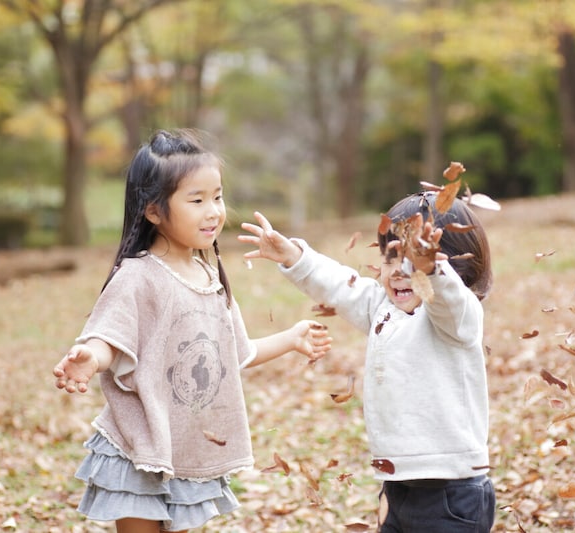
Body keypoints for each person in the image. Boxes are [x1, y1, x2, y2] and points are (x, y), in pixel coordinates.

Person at [52, 129, 331, 533]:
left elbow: (236, 354)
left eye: (217, 197)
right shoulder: (138, 277)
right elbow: (111, 338)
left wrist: (291, 339)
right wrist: (91, 357)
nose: (214, 211)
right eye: (196, 200)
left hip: (189, 447)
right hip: (141, 446)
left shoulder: (209, 274)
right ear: (153, 211)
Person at [239, 192, 496, 532]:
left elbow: (448, 299)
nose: (398, 272)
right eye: (391, 259)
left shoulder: (457, 319)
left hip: (450, 492)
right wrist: (293, 256)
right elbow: (340, 287)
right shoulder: (383, 310)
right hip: (396, 485)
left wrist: (432, 270)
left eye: (412, 261)